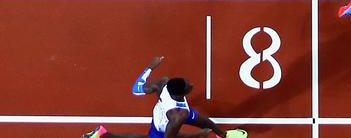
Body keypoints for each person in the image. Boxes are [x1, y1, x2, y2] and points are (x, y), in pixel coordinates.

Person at [81, 55, 246, 138]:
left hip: (167, 111)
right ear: (183, 93)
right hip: (162, 124)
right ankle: (102, 134)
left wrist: (150, 67)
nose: (192, 85)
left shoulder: (163, 83)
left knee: (203, 120)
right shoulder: (178, 116)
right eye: (189, 87)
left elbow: (136, 88)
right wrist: (197, 135)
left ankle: (223, 135)